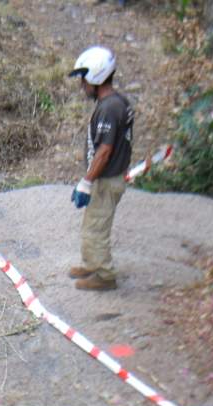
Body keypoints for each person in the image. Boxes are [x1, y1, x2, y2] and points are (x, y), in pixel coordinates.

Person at [68, 46, 134, 291]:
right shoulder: (118, 102)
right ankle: (91, 264)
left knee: (97, 228)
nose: (82, 86)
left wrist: (87, 181)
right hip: (108, 178)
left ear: (95, 76)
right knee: (92, 223)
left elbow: (104, 151)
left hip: (106, 180)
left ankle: (104, 275)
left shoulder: (108, 109)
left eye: (83, 80)